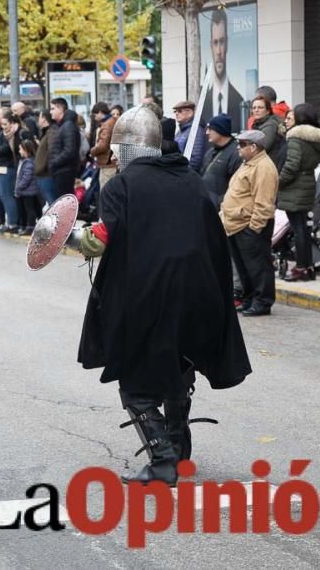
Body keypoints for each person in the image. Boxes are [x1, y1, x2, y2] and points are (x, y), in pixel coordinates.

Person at [74, 105, 251, 485]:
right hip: (200, 294)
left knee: (135, 381)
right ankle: (180, 448)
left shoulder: (122, 185)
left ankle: (164, 459)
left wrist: (77, 239)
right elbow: (212, 235)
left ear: (126, 148)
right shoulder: (190, 178)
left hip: (149, 295)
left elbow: (106, 236)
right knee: (180, 369)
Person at [220, 129, 279, 317]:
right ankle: (249, 298)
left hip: (250, 226)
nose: (239, 148)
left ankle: (262, 302)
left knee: (258, 267)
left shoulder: (264, 167)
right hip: (237, 225)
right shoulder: (249, 163)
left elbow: (264, 202)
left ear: (254, 147)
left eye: (242, 145)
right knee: (245, 267)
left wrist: (254, 228)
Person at [277, 103, 320, 282]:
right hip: (307, 183)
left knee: (298, 229)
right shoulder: (315, 137)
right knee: (304, 229)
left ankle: (300, 267)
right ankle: (307, 266)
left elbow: (291, 166)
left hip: (295, 187)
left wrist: (277, 182)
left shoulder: (296, 138)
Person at [200, 9, 244, 128]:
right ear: (211, 46)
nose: (219, 51)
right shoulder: (202, 103)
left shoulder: (239, 100)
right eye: (215, 43)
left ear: (227, 44)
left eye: (222, 42)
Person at [200, 114, 241, 208]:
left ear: (220, 130)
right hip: (208, 206)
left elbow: (237, 186)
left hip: (223, 209)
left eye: (210, 129)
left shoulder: (236, 153)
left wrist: (219, 202)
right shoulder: (210, 152)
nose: (207, 132)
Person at [0, 109, 21, 234]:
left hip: (7, 167)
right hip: (0, 167)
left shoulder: (11, 135)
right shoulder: (4, 134)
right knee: (3, 195)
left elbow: (9, 149)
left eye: (5, 124)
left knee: (6, 195)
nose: (3, 127)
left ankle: (12, 222)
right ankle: (10, 222)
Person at [48, 98, 81, 198]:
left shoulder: (68, 125)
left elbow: (70, 150)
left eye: (53, 108)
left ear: (60, 108)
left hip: (64, 171)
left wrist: (54, 162)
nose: (50, 112)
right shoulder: (64, 125)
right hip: (62, 170)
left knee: (64, 202)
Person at [248, 95, 285, 172]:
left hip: (269, 168)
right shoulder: (258, 124)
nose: (256, 110)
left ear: (268, 111)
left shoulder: (270, 125)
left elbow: (262, 148)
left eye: (260, 107)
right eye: (254, 108)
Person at [14, 139, 41, 235]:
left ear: (26, 150)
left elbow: (26, 178)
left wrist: (18, 187)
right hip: (25, 191)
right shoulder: (24, 161)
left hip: (28, 191)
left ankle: (30, 227)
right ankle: (25, 225)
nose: (19, 151)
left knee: (30, 210)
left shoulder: (29, 163)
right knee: (26, 209)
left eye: (20, 149)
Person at [172, 100, 207, 170]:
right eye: (175, 111)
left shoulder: (196, 130)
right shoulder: (181, 130)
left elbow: (195, 159)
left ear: (190, 113)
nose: (176, 113)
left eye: (180, 111)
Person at [34, 110, 58, 207]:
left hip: (46, 173)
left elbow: (52, 151)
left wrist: (44, 166)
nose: (38, 120)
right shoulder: (46, 132)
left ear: (44, 119)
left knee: (53, 202)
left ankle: (58, 222)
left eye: (40, 117)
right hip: (43, 173)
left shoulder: (52, 132)